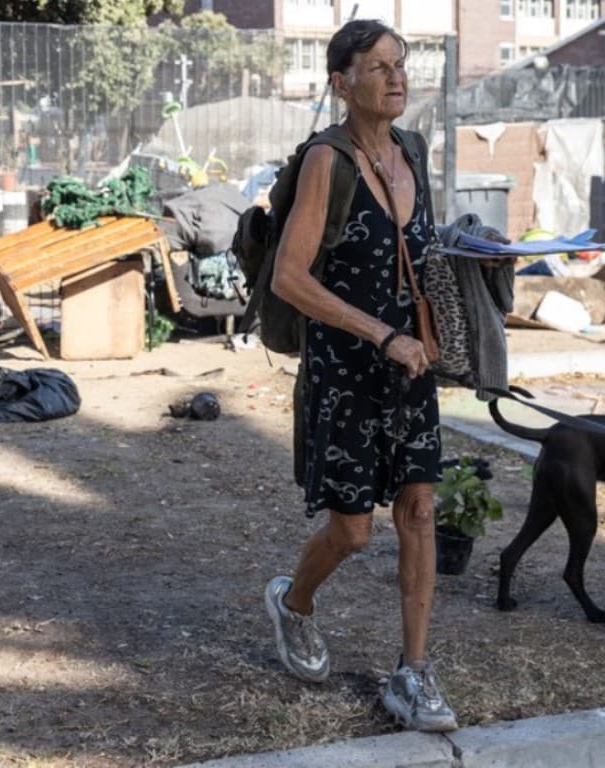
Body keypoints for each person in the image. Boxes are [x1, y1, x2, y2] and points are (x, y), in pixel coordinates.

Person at [262, 19, 457, 733]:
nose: (396, 77)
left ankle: (412, 671)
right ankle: (293, 602)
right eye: (377, 67)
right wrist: (381, 335)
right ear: (342, 83)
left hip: (412, 368)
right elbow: (289, 277)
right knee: (352, 532)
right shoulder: (327, 161)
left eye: (400, 64)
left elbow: (421, 256)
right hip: (346, 367)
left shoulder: (411, 150)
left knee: (419, 511)